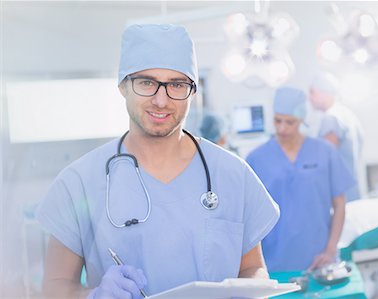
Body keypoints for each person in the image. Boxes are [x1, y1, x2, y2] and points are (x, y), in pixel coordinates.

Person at [36, 23, 280, 299]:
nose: (161, 100)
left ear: (193, 91)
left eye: (176, 84)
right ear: (122, 86)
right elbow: (54, 287)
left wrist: (251, 290)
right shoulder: (78, 182)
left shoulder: (234, 174)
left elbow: (253, 268)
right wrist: (92, 296)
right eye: (147, 83)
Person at [246, 87, 355, 272]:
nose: (282, 128)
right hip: (273, 260)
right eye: (277, 120)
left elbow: (339, 204)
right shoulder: (256, 158)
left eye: (290, 122)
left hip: (318, 259)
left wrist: (330, 250)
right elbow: (248, 217)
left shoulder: (324, 152)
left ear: (302, 120)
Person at [308, 72, 365, 201]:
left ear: (324, 92)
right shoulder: (348, 114)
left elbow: (324, 161)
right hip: (352, 193)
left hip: (340, 198)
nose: (309, 98)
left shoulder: (331, 118)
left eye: (312, 92)